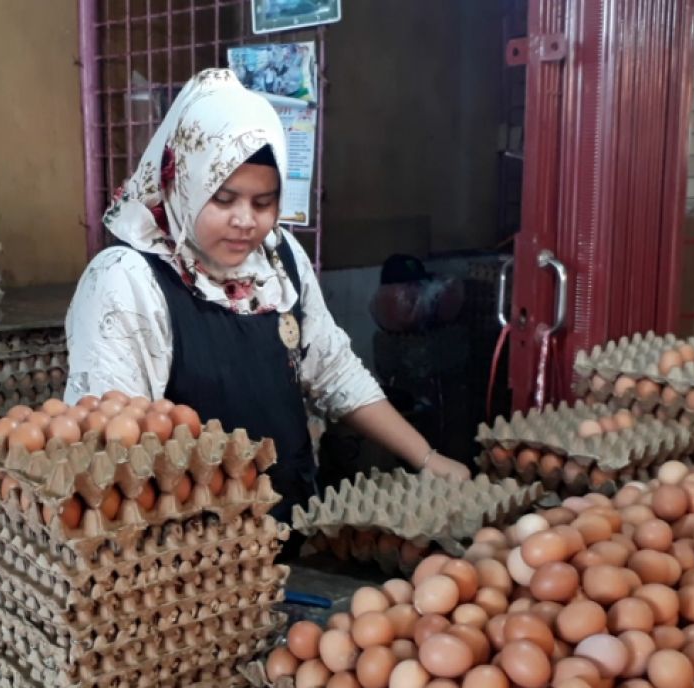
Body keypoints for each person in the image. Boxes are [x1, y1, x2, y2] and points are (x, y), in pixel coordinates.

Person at [65, 68, 470, 540]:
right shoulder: (127, 280)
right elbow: (117, 448)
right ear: (181, 182)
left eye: (264, 202)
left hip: (288, 526)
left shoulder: (279, 259)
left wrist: (425, 457)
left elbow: (332, 370)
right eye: (223, 198)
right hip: (190, 559)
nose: (245, 221)